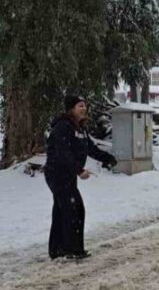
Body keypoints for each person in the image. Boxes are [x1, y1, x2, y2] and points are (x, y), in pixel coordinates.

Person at [44, 96, 117, 260]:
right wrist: (79, 170)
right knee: (74, 209)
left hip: (67, 175)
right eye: (80, 106)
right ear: (71, 108)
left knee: (62, 210)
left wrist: (108, 159)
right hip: (57, 174)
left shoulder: (80, 129)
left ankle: (57, 249)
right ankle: (72, 250)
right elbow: (63, 153)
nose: (84, 109)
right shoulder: (63, 126)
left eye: (85, 106)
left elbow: (90, 149)